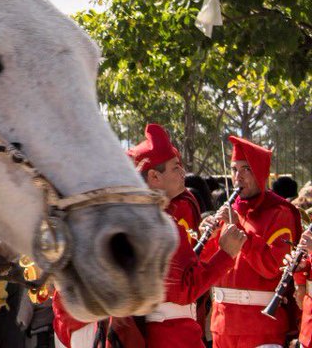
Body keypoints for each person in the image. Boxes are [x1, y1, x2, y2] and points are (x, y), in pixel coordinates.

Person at [128, 124, 244, 346]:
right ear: (154, 177)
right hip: (171, 336)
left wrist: (209, 243)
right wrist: (227, 254)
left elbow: (187, 274)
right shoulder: (158, 225)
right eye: (175, 168)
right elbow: (184, 290)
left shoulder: (144, 220)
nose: (183, 173)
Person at [201, 135, 300, 348]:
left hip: (260, 327)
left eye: (246, 169)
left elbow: (272, 268)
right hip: (221, 327)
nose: (238, 177)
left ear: (261, 172)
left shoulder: (280, 213)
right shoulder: (230, 212)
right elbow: (205, 268)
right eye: (235, 169)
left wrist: (240, 231)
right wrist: (208, 238)